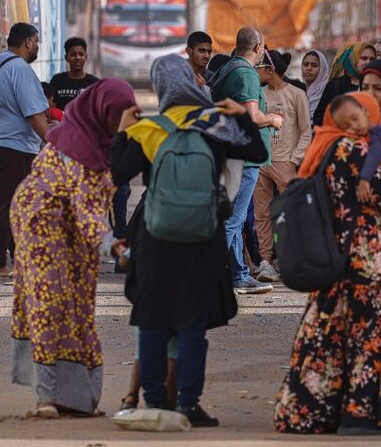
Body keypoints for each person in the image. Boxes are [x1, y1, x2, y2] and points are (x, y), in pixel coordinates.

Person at [113, 54, 266, 426]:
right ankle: (189, 403)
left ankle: (154, 401)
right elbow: (258, 153)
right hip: (204, 235)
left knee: (152, 320)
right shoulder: (214, 123)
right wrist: (239, 115)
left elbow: (117, 171)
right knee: (191, 324)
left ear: (159, 86)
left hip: (156, 235)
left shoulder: (150, 128)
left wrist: (122, 129)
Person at [274, 93, 381, 435]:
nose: (358, 125)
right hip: (366, 258)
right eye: (353, 119)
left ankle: (310, 412)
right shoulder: (355, 151)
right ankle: (359, 414)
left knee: (326, 336)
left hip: (333, 256)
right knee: (368, 334)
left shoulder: (322, 150)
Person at [10, 78, 137, 417]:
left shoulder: (105, 141)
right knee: (49, 302)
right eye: (118, 113)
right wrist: (114, 247)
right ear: (102, 111)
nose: (123, 119)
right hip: (40, 223)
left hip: (76, 227)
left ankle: (79, 399)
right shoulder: (76, 145)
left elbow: (93, 206)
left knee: (80, 305)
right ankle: (46, 396)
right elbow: (88, 210)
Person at [209, 27, 283, 294]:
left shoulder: (227, 69)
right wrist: (273, 119)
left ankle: (239, 275)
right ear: (259, 48)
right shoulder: (246, 74)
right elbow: (252, 116)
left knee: (236, 218)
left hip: (228, 153)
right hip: (244, 158)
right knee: (233, 218)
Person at [0, 22, 50, 278]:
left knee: (12, 204)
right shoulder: (21, 69)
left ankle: (19, 260)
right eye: (37, 42)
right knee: (9, 205)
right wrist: (55, 142)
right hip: (14, 148)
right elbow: (34, 115)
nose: (38, 47)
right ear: (29, 41)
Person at [252, 49, 312, 283]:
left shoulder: (296, 94)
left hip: (285, 162)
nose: (256, 72)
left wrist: (294, 160)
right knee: (262, 213)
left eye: (259, 68)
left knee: (289, 214)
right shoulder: (259, 94)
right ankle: (266, 261)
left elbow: (306, 130)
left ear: (270, 69)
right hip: (261, 162)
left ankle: (289, 259)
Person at [327, 93, 381, 263]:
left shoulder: (377, 131)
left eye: (355, 118)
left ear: (365, 112)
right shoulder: (356, 141)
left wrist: (364, 179)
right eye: (346, 126)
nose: (354, 126)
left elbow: (375, 155)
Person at [312, 42, 376, 126]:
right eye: (364, 58)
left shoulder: (376, 85)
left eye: (372, 59)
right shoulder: (335, 85)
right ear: (353, 60)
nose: (368, 62)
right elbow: (319, 117)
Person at [49, 37, 99, 111]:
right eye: (73, 54)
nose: (77, 58)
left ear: (86, 57)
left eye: (81, 54)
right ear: (66, 58)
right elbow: (48, 105)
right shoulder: (57, 80)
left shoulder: (94, 83)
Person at [301, 50, 330, 122]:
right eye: (305, 64)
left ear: (322, 69)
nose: (308, 68)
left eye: (314, 65)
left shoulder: (329, 92)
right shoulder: (298, 91)